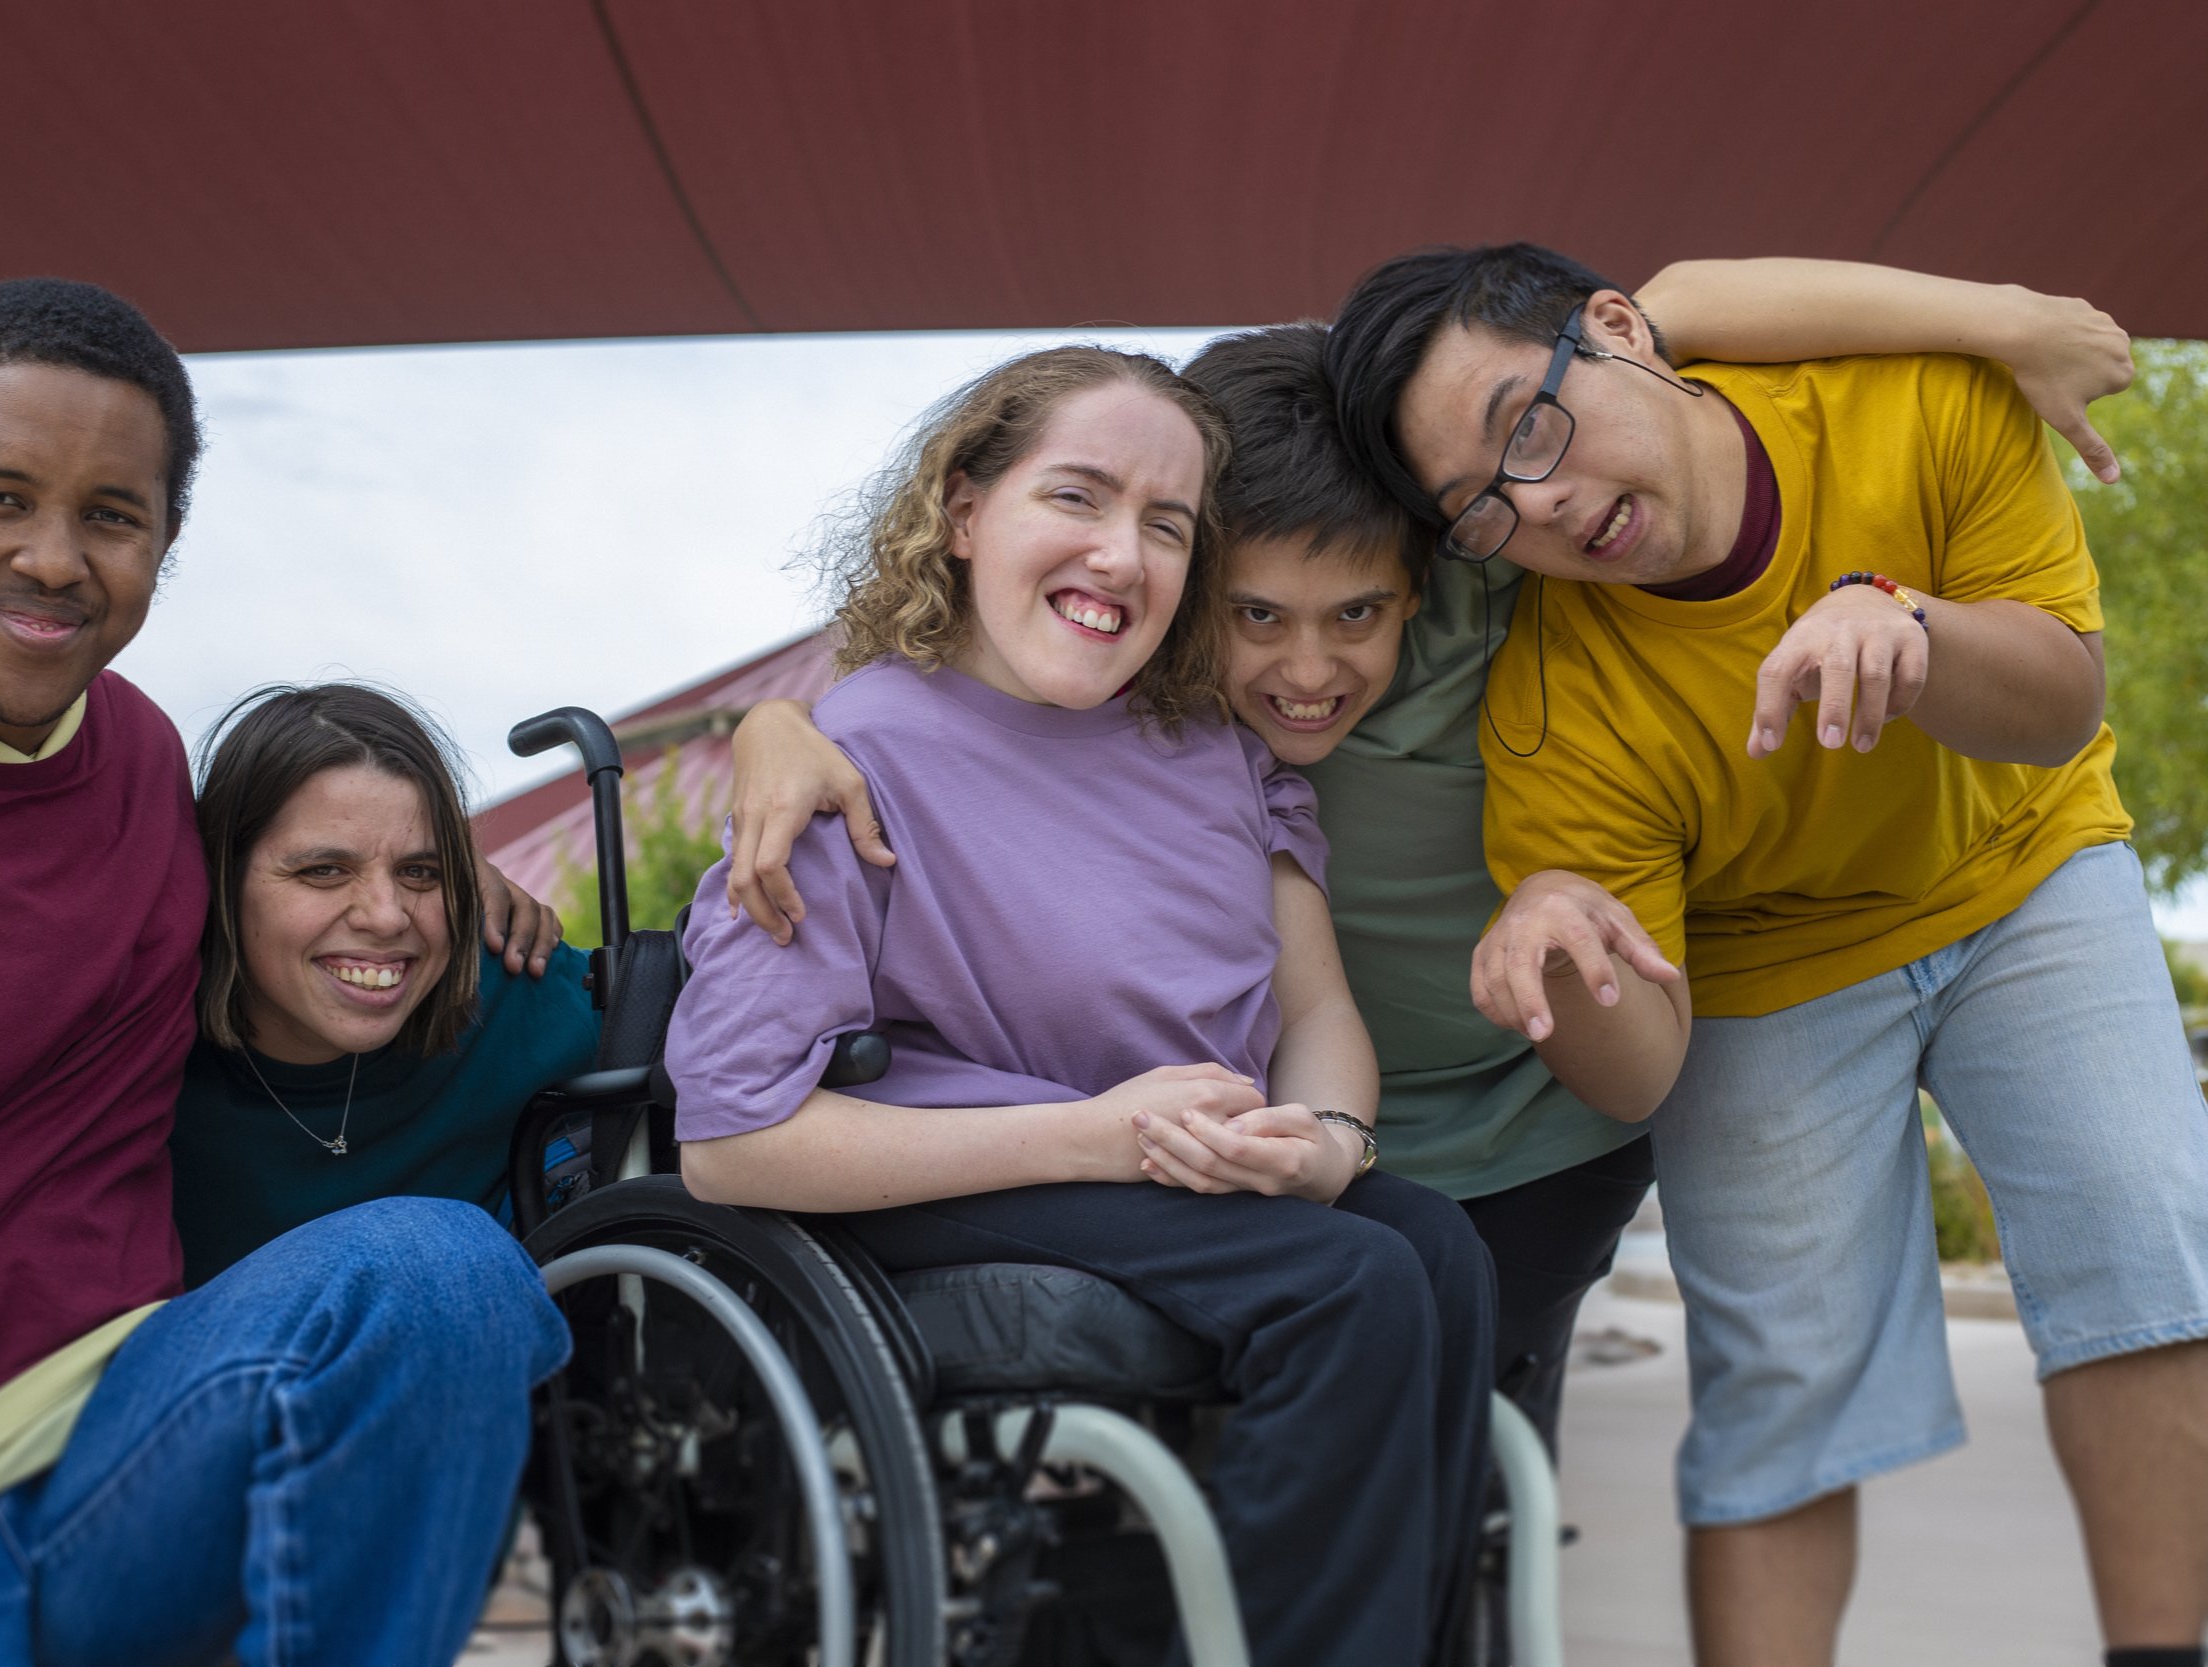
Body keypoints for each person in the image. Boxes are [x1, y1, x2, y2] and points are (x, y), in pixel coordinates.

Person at [720, 260, 2139, 1457]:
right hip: (1272, 1135)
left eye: (1355, 612)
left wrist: (2006, 320)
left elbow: (1679, 302)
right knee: (1274, 1455)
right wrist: (775, 724)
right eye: (1250, 613)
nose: (1307, 667)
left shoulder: (1492, 562)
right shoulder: (1145, 668)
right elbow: (953, 647)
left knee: (1475, 1464)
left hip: (1529, 1127)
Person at [1325, 242, 2208, 1667]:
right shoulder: (1559, 706)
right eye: (1485, 510)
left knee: (2140, 1219)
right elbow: (1638, 1074)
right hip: (1766, 956)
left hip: (2024, 862)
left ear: (1619, 333)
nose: (1538, 502)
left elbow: (2059, 707)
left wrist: (1909, 624)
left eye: (1529, 428)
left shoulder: (1916, 404)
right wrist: (1566, 961)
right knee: (1780, 1375)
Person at [0, 279, 566, 1665]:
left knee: (438, 1272)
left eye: (113, 515)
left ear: (163, 543)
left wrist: (444, 884)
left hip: (141, 1435)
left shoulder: (138, 755)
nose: (55, 558)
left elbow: (306, 902)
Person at [664, 345, 1498, 1667]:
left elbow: (1317, 1004)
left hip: (1176, 1166)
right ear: (963, 511)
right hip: (962, 1167)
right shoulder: (853, 753)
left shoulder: (1215, 749)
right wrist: (1096, 1136)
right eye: (1079, 496)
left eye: (1166, 524)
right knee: (1350, 1284)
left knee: (1434, 1244)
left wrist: (1331, 1135)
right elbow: (727, 1137)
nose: (1122, 551)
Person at [169, 683, 599, 1287]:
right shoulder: (137, 1051)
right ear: (221, 879)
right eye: (324, 870)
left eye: (420, 871)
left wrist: (774, 728)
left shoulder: (520, 992)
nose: (387, 915)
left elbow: (742, 1027)